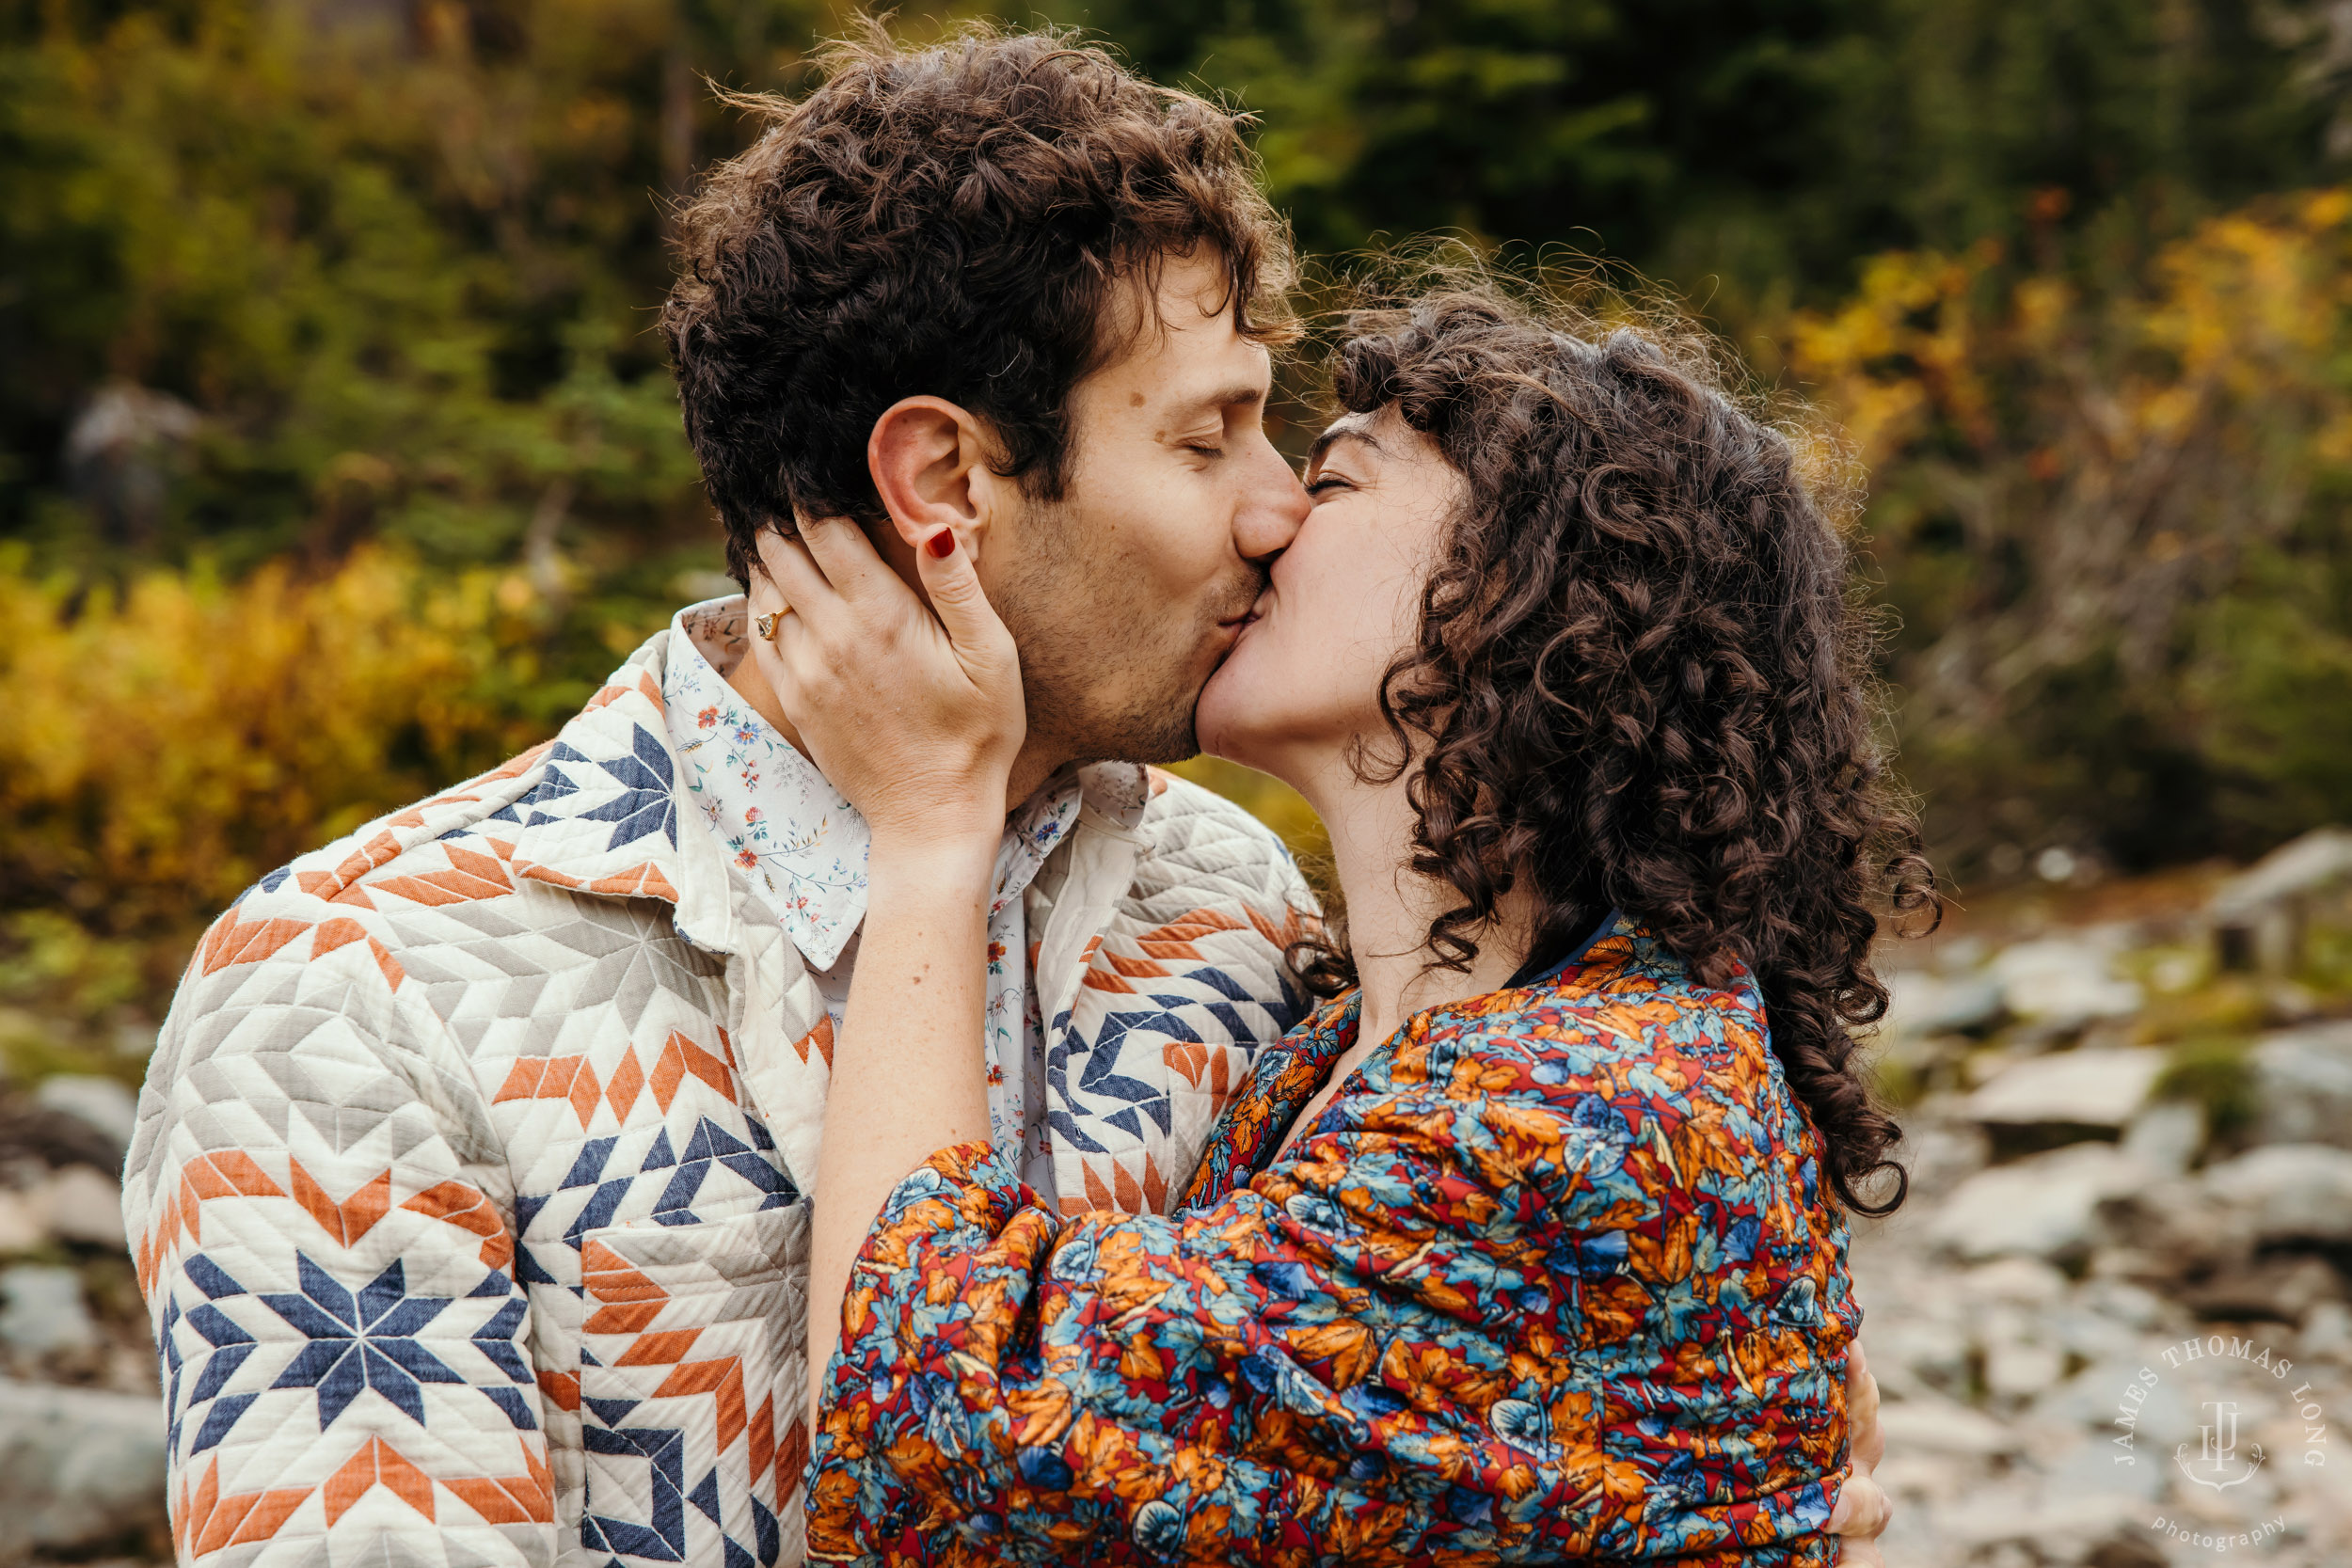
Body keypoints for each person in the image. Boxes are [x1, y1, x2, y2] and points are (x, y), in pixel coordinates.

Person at [120, 27, 1326, 1568]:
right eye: (1208, 435)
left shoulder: (1230, 907)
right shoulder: (350, 998)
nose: (1280, 502)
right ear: (947, 485)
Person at [748, 282, 1928, 1564]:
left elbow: (931, 1418)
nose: (1267, 518)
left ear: (1523, 592)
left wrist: (928, 829)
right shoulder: (1334, 1041)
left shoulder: (1586, 1111)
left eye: (1337, 481)